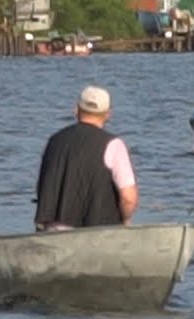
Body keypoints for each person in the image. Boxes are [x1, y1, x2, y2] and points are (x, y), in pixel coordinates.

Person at [35, 86, 138, 231]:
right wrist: (126, 221)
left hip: (52, 235)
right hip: (98, 235)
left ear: (76, 109)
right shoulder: (114, 145)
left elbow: (42, 187)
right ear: (108, 114)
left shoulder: (53, 141)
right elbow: (128, 198)